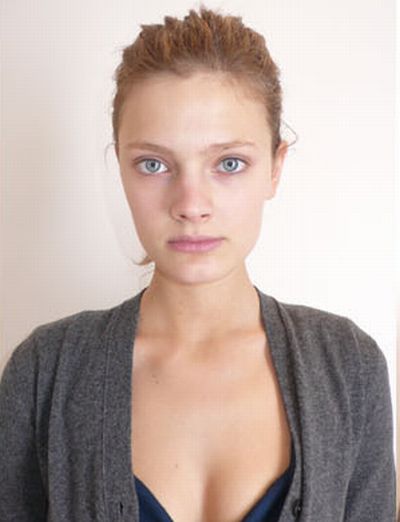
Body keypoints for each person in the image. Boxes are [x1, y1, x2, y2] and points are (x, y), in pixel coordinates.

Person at [0, 5, 395, 522]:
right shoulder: (45, 372)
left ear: (275, 168)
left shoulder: (349, 367)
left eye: (229, 163)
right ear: (120, 168)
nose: (190, 204)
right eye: (153, 164)